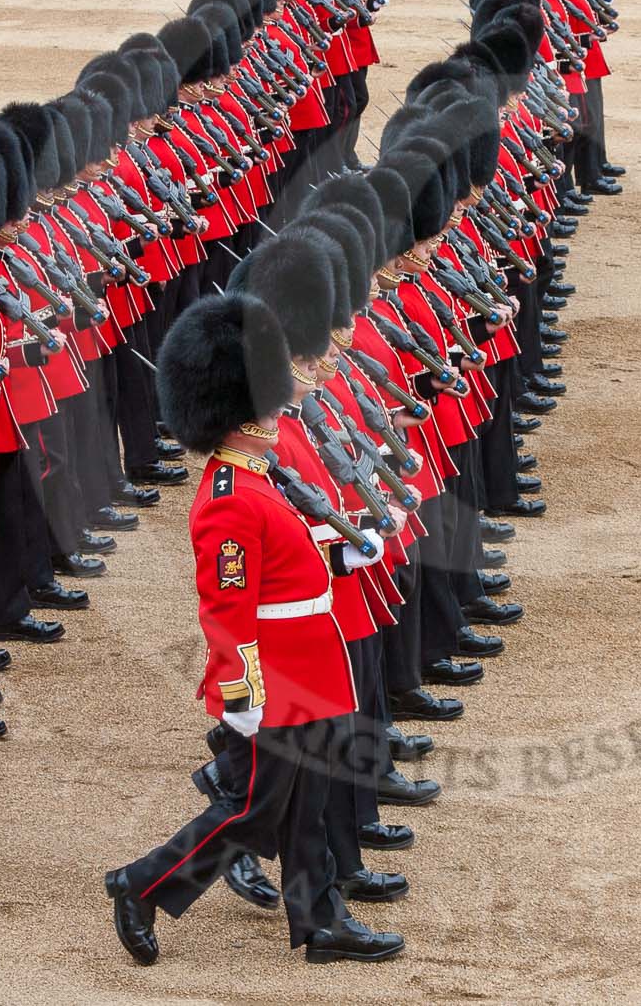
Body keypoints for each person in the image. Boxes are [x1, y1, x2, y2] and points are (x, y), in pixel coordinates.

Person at [102, 292, 404, 966]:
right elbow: (226, 608)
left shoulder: (259, 477)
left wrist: (341, 554)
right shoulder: (228, 499)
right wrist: (243, 693)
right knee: (255, 810)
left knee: (306, 808)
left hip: (311, 663)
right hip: (279, 676)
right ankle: (140, 883)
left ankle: (322, 921)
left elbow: (287, 566)